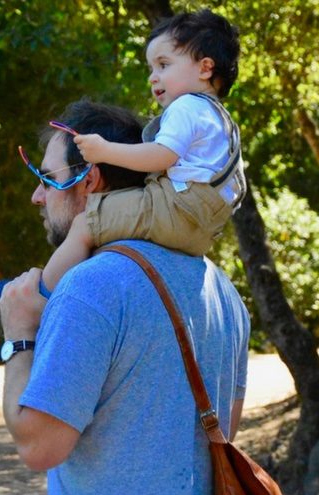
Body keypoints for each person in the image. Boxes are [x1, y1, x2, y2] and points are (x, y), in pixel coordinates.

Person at [0, 98, 250, 495]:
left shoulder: (90, 286)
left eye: (46, 178)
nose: (37, 196)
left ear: (88, 179)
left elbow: (38, 445)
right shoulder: (222, 290)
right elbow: (226, 430)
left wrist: (19, 336)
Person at [40, 9, 245, 293]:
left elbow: (161, 155)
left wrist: (104, 150)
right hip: (203, 230)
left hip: (176, 210)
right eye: (151, 68)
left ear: (205, 68)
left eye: (163, 65)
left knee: (85, 224)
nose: (153, 77)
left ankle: (40, 296)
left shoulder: (187, 107)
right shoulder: (220, 120)